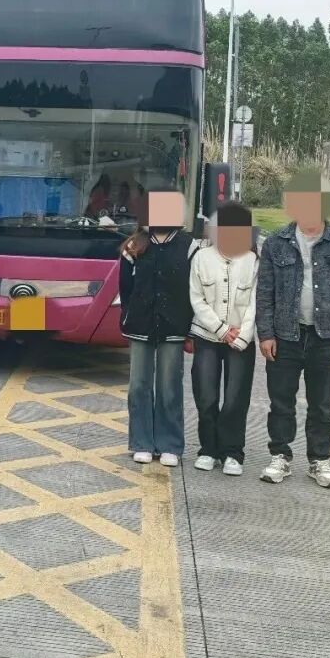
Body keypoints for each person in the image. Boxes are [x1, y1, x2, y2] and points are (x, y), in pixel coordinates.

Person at [257, 170, 330, 489]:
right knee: (281, 403)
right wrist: (266, 334)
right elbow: (265, 292)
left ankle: (320, 460)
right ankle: (280, 456)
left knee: (321, 405)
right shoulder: (276, 243)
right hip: (285, 335)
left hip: (326, 337)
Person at [119, 190, 193, 466]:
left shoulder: (189, 246)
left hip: (175, 325)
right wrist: (129, 315)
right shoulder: (133, 246)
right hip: (140, 324)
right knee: (138, 385)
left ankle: (169, 444)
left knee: (169, 386)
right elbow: (125, 288)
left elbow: (194, 289)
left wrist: (191, 326)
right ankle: (141, 442)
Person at [189, 202, 259, 476]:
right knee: (206, 396)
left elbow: (255, 302)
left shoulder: (252, 261)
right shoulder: (201, 258)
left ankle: (232, 452)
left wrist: (242, 336)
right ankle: (208, 449)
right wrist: (220, 329)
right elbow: (197, 298)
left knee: (235, 399)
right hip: (207, 335)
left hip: (241, 340)